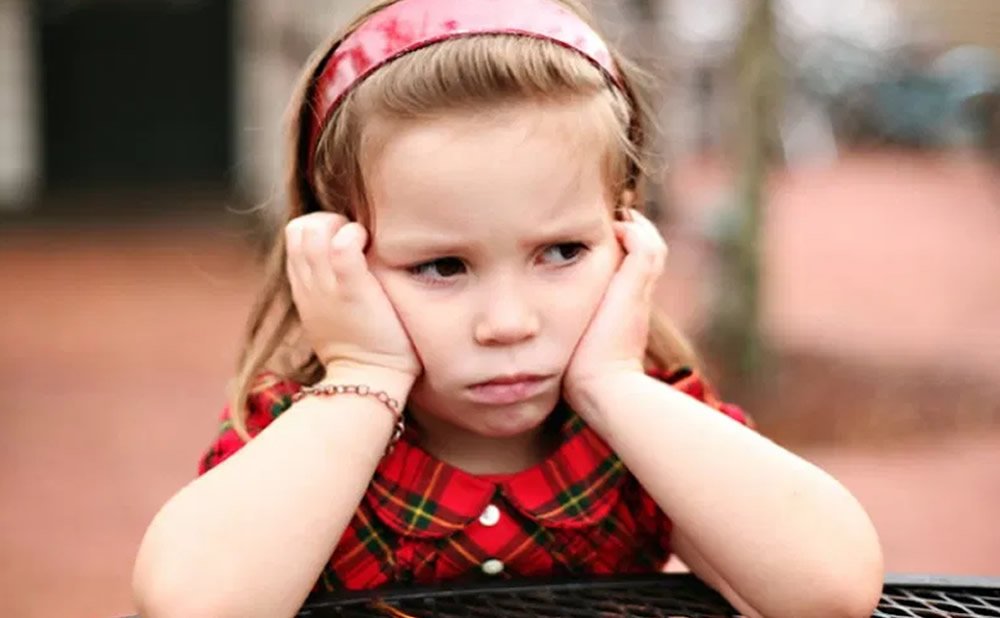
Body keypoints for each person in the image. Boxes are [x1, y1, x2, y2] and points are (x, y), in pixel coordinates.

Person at [131, 1, 884, 616]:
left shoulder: (640, 432)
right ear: (339, 256)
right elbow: (192, 603)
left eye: (561, 253)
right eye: (441, 266)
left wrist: (614, 385)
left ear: (625, 237)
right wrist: (366, 372)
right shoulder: (306, 433)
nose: (509, 323)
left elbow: (832, 590)